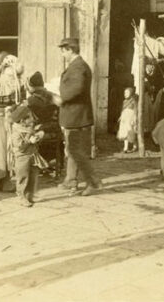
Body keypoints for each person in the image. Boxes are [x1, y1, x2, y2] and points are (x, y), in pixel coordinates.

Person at [57, 38, 102, 196]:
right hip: (76, 115)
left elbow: (76, 89)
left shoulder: (78, 67)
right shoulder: (77, 66)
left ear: (70, 50)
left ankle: (93, 183)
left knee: (78, 152)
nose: (62, 54)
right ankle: (71, 181)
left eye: (63, 50)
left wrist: (60, 96)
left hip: (77, 116)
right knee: (73, 150)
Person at [0, 54, 26, 191]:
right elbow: (4, 100)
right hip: (4, 119)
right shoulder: (4, 79)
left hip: (0, 118)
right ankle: (4, 181)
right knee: (4, 150)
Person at [10, 105, 47, 207]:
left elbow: (34, 138)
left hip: (32, 155)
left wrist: (38, 136)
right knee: (23, 177)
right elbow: (20, 146)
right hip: (22, 158)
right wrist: (29, 140)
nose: (32, 119)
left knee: (33, 176)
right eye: (30, 117)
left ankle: (29, 195)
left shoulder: (29, 128)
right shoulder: (17, 131)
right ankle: (21, 197)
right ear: (23, 120)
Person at [117, 87, 137, 152]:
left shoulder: (133, 101)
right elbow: (123, 110)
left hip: (130, 117)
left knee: (131, 131)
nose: (125, 94)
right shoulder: (124, 101)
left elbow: (135, 110)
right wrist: (121, 116)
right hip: (124, 118)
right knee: (125, 132)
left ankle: (135, 145)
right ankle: (125, 147)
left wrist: (134, 118)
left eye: (127, 93)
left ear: (131, 93)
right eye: (124, 93)